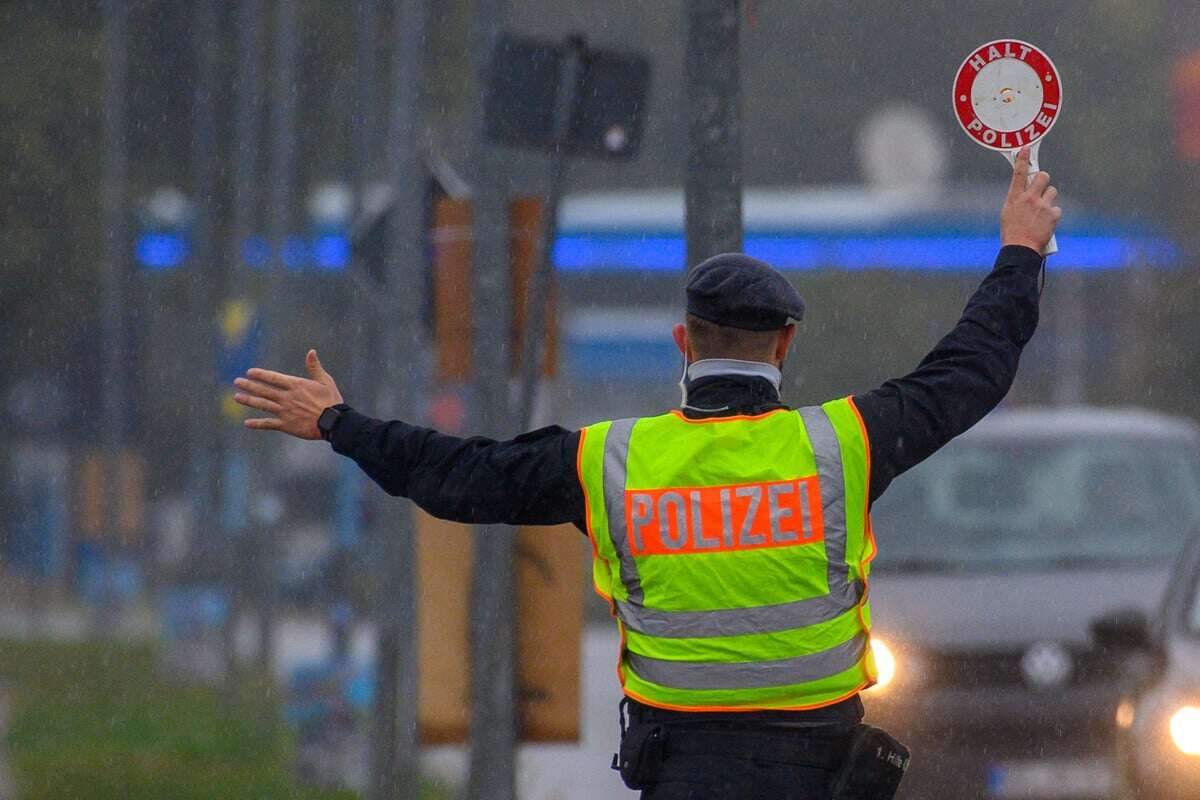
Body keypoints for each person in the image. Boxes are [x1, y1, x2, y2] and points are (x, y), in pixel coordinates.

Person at [233, 147, 1060, 799]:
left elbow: (460, 475)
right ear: (784, 345)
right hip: (820, 769)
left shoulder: (608, 462)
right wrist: (1019, 253)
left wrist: (340, 423)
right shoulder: (844, 442)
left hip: (685, 771)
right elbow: (970, 372)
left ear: (681, 343)